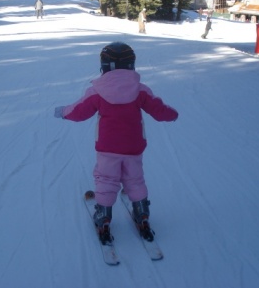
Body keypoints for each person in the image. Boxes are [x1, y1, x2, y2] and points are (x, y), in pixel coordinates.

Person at [54, 42, 178, 243]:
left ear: (104, 65)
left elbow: (79, 111)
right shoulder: (140, 90)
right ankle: (142, 213)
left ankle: (103, 216)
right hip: (133, 147)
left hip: (107, 148)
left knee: (106, 179)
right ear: (131, 65)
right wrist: (172, 114)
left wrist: (63, 112)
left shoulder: (97, 91)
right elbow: (159, 109)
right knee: (135, 179)